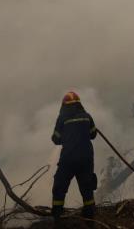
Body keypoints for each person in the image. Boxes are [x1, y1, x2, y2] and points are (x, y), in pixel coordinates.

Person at [51, 91, 98, 225]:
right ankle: (90, 218)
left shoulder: (62, 118)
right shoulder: (87, 116)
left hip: (68, 159)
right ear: (79, 104)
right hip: (86, 159)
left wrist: (68, 137)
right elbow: (93, 134)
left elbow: (56, 139)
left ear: (64, 105)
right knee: (87, 188)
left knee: (59, 186)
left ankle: (57, 217)